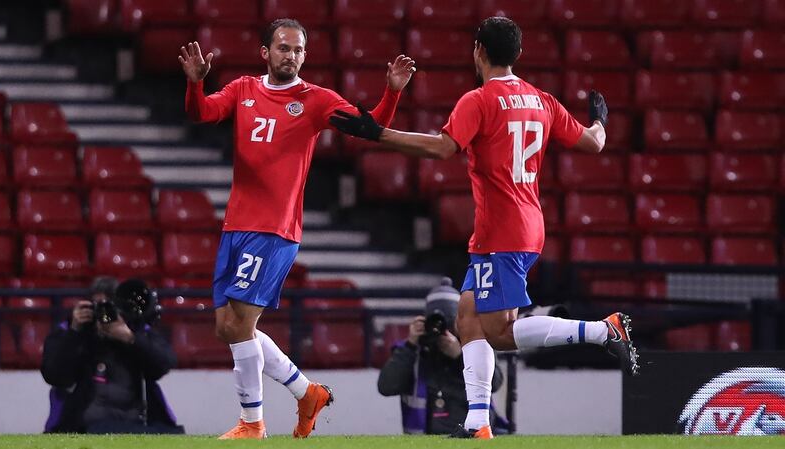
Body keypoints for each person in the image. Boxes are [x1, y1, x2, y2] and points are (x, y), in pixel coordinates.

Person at [330, 17, 639, 439]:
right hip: (520, 224)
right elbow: (594, 142)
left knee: (498, 331)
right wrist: (600, 118)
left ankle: (604, 330)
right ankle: (477, 422)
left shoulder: (478, 100)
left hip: (504, 231)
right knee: (468, 319)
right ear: (518, 54)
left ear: (478, 50)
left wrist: (378, 134)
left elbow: (442, 149)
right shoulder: (541, 99)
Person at [178, 18, 415, 439]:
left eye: (299, 50)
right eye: (284, 48)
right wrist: (196, 84)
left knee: (241, 325)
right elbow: (203, 113)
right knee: (226, 326)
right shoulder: (243, 89)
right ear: (265, 52)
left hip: (274, 227)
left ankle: (252, 423)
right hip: (236, 224)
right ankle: (307, 393)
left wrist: (392, 92)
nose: (291, 56)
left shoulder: (316, 100)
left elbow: (370, 126)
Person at [42, 278, 182, 434]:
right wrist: (75, 332)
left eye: (110, 307)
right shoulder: (71, 331)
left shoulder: (137, 331)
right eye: (99, 307)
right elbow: (53, 375)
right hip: (80, 428)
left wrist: (130, 339)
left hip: (133, 426)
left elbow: (164, 364)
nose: (104, 314)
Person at [377, 278, 508, 435]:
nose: (440, 329)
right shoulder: (415, 349)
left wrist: (461, 356)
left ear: (459, 321)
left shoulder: (475, 343)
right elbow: (386, 387)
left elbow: (495, 383)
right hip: (424, 439)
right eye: (435, 322)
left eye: (448, 322)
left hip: (471, 434)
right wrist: (410, 345)